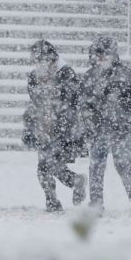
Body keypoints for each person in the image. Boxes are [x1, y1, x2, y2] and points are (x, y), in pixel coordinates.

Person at [80, 36, 131, 215]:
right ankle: (96, 204)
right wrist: (88, 125)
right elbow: (83, 105)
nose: (102, 58)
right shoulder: (89, 76)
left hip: (121, 130)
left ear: (114, 55)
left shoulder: (126, 75)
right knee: (96, 167)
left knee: (123, 165)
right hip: (98, 130)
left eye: (106, 54)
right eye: (99, 54)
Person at [22, 39, 86, 213]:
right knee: (47, 166)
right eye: (35, 61)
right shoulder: (34, 77)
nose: (38, 65)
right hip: (44, 128)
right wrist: (32, 125)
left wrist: (59, 123)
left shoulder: (66, 74)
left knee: (48, 165)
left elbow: (71, 104)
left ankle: (57, 197)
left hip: (65, 130)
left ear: (52, 59)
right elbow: (34, 102)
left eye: (41, 60)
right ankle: (64, 190)